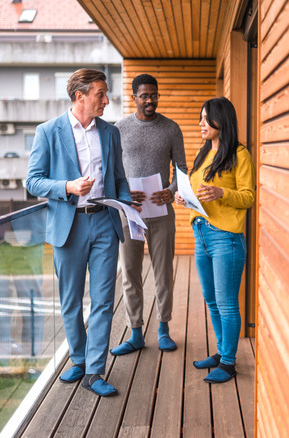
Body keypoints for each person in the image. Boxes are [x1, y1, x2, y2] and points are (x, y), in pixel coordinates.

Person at [26, 68, 134, 397]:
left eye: (106, 93)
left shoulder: (111, 133)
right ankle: (78, 358)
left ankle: (95, 370)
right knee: (71, 301)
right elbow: (32, 181)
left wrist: (128, 203)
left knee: (103, 301)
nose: (107, 99)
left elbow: (118, 178)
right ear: (80, 96)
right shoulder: (48, 132)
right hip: (69, 226)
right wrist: (67, 186)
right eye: (101, 93)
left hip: (104, 222)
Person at [174, 97, 255, 383]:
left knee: (227, 302)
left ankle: (229, 363)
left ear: (222, 120)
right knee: (211, 300)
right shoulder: (205, 152)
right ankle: (222, 353)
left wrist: (222, 194)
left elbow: (248, 197)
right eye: (200, 118)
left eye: (207, 119)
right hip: (201, 234)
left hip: (226, 238)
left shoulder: (239, 154)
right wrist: (184, 197)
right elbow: (198, 190)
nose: (201, 124)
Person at [110, 74, 187, 356]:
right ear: (134, 98)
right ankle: (136, 332)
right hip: (129, 212)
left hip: (161, 211)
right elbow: (113, 173)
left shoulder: (171, 128)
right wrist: (124, 192)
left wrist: (171, 189)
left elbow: (182, 170)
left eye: (154, 95)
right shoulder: (119, 129)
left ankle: (164, 328)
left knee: (163, 273)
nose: (150, 100)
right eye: (144, 95)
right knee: (130, 273)